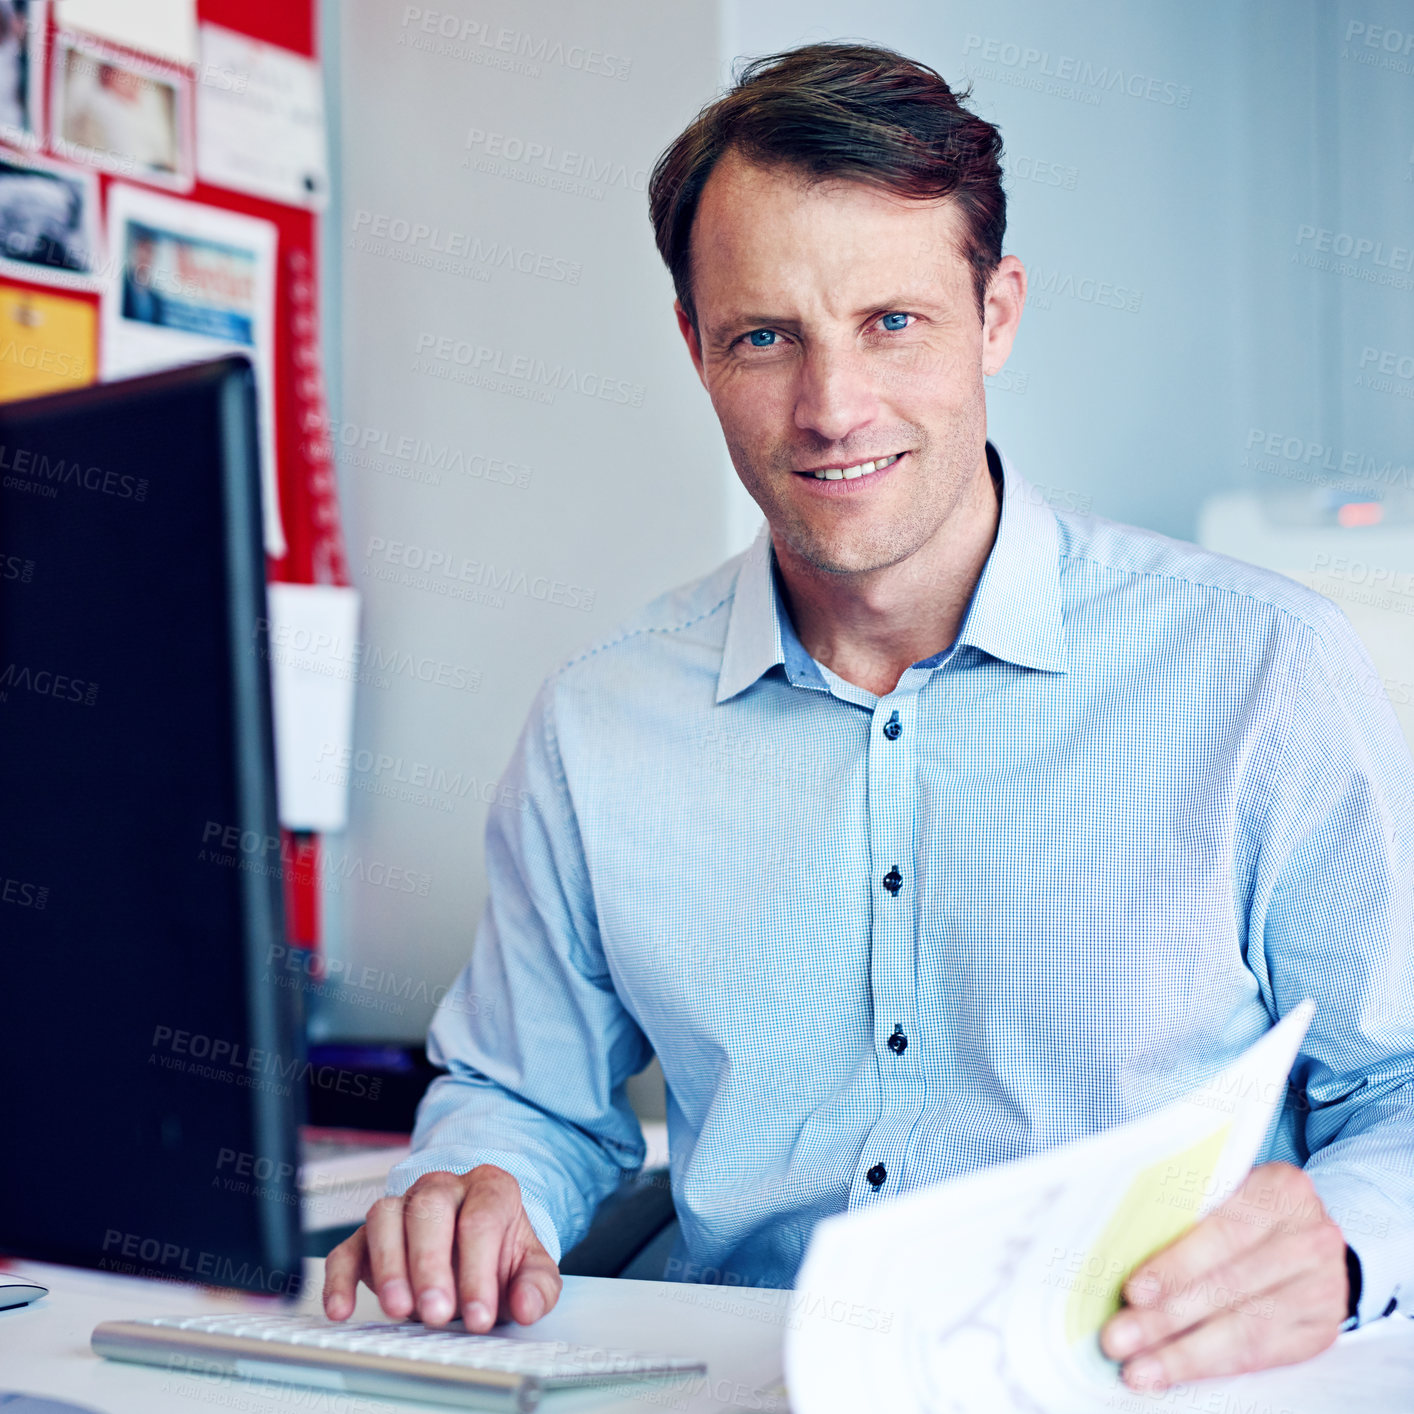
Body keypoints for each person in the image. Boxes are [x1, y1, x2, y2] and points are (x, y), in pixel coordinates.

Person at [323, 42, 1413, 1392]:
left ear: (994, 313)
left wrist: (1346, 1246)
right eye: (765, 337)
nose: (832, 409)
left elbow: (1401, 1085)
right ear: (694, 346)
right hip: (735, 1379)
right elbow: (523, 1096)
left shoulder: (1259, 673)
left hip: (1124, 1382)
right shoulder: (599, 723)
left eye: (891, 322)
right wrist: (473, 1187)